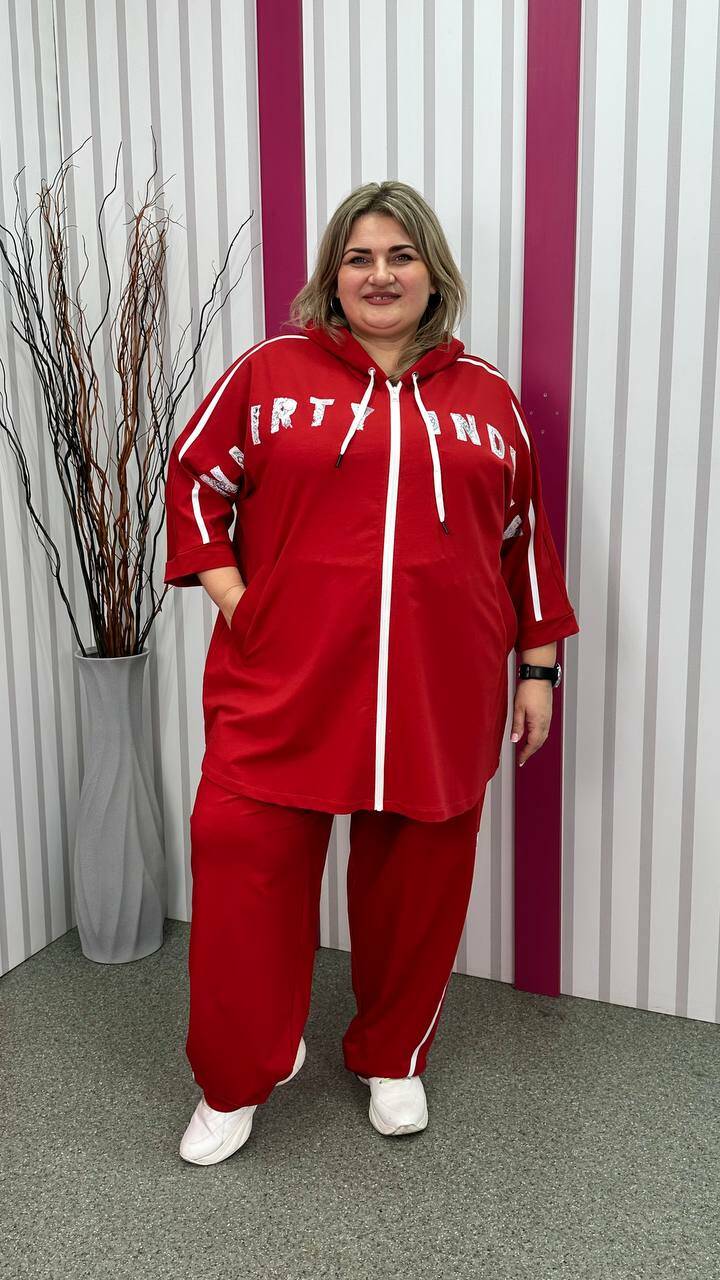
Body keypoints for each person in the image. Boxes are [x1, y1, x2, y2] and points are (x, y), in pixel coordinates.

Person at [163, 180, 580, 1166]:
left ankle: (392, 1054)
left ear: (432, 273)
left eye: (400, 255)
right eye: (359, 257)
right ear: (333, 276)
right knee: (245, 873)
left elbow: (523, 539)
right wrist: (239, 600)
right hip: (284, 683)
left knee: (418, 887)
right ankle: (237, 1074)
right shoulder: (270, 374)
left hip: (439, 690)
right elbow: (193, 478)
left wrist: (539, 668)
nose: (380, 274)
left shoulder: (487, 398)